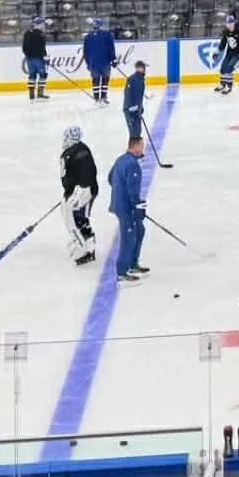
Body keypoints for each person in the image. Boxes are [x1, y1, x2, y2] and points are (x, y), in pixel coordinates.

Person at [108, 136, 148, 284]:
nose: (142, 149)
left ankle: (133, 264)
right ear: (136, 146)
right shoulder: (132, 165)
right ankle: (122, 272)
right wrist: (136, 206)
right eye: (141, 146)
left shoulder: (121, 159)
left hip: (123, 204)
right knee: (129, 236)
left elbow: (111, 177)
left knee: (139, 230)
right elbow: (132, 190)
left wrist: (119, 191)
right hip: (126, 207)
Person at [60, 125, 98, 265]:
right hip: (79, 190)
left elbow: (86, 172)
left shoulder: (76, 152)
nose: (64, 140)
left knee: (77, 218)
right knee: (74, 216)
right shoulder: (77, 150)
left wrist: (78, 189)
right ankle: (83, 243)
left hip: (83, 191)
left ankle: (87, 248)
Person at [214, 13, 239, 95]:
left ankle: (228, 86)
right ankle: (222, 84)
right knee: (223, 67)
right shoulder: (226, 32)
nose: (229, 25)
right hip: (229, 53)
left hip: (238, 54)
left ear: (234, 23)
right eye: (228, 23)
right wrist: (217, 52)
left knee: (229, 68)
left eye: (231, 23)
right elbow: (223, 43)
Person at [82, 17, 117, 105]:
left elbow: (85, 52)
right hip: (105, 61)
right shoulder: (107, 34)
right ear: (101, 25)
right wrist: (113, 59)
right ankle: (103, 97)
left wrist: (88, 63)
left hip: (93, 63)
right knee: (105, 79)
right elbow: (111, 48)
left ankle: (97, 98)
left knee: (95, 80)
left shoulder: (87, 36)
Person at [22, 15, 49, 101]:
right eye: (42, 24)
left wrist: (28, 55)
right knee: (42, 74)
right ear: (39, 24)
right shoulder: (41, 34)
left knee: (32, 75)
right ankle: (40, 93)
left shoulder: (27, 33)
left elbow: (24, 47)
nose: (43, 25)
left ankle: (31, 94)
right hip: (39, 58)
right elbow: (42, 47)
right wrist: (45, 56)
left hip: (29, 58)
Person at [122, 60, 148, 138]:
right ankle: (132, 148)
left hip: (136, 111)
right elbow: (128, 95)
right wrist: (132, 108)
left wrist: (140, 108)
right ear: (139, 68)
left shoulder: (140, 80)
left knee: (138, 131)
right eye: (143, 67)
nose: (145, 69)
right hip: (131, 111)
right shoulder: (132, 79)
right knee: (134, 133)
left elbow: (139, 97)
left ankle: (136, 148)